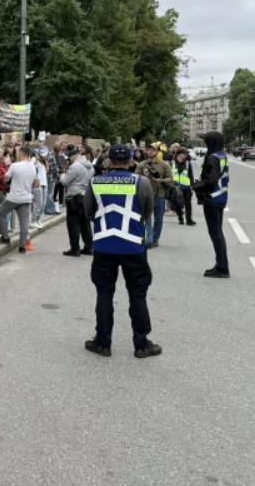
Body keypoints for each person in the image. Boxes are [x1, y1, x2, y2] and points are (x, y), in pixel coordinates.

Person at [83, 145, 161, 359]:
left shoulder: (95, 182)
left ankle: (103, 342)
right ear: (130, 161)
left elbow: (89, 211)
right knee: (138, 294)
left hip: (103, 246)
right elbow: (148, 212)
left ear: (109, 162)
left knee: (104, 293)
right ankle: (142, 343)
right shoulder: (142, 182)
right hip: (133, 246)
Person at [193, 131, 231, 278]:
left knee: (215, 234)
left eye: (206, 141)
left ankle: (222, 267)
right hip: (220, 198)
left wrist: (196, 186)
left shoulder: (212, 158)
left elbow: (211, 180)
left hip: (212, 199)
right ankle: (221, 265)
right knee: (218, 233)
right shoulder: (221, 156)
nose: (204, 143)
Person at [0, 146, 37, 253]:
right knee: (24, 222)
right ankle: (22, 246)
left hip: (14, 197)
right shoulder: (33, 167)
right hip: (26, 198)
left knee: (1, 212)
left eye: (18, 153)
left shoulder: (15, 165)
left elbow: (5, 179)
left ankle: (5, 237)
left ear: (21, 154)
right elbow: (37, 184)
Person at [136, 145, 174, 248]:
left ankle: (155, 238)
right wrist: (144, 176)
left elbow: (171, 179)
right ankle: (149, 238)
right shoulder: (142, 164)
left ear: (157, 152)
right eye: (148, 150)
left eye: (153, 150)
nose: (150, 152)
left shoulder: (164, 165)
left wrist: (160, 180)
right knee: (146, 217)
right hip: (145, 195)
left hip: (159, 194)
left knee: (158, 218)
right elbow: (135, 179)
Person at [61, 149, 94, 257]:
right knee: (85, 223)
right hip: (86, 195)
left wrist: (62, 175)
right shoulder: (90, 166)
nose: (69, 160)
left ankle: (75, 249)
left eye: (70, 158)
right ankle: (89, 247)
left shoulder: (75, 166)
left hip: (75, 196)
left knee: (73, 223)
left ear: (74, 156)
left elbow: (65, 181)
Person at [171, 148, 196, 226]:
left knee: (188, 203)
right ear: (179, 154)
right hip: (176, 187)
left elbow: (191, 175)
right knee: (177, 204)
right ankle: (180, 217)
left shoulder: (188, 163)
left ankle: (189, 219)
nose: (186, 155)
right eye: (184, 154)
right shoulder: (172, 163)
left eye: (186, 154)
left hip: (186, 187)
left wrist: (192, 186)